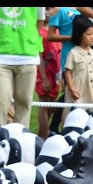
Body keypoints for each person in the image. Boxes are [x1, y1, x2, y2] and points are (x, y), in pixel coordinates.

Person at [0, 7, 47, 131]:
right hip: (0, 56)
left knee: (24, 102)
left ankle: (20, 139)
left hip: (27, 55)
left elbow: (39, 21)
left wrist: (27, 42)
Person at [63, 15, 93, 122]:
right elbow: (68, 72)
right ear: (79, 35)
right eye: (88, 34)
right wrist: (71, 88)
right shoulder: (73, 53)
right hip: (78, 88)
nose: (92, 37)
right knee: (76, 114)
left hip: (92, 88)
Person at [37, 7, 63, 138]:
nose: (47, 13)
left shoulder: (57, 31)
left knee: (52, 105)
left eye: (50, 9)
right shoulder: (39, 32)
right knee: (44, 103)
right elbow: (39, 56)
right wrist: (44, 78)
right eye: (44, 9)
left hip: (56, 74)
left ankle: (41, 133)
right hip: (44, 73)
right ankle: (45, 137)